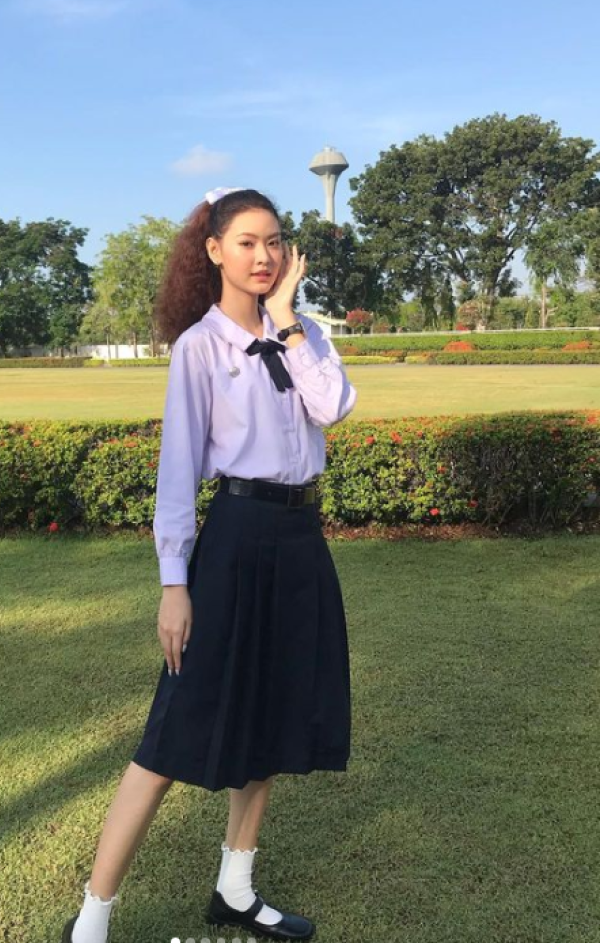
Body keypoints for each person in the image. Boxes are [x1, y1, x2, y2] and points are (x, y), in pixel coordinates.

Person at [60, 186, 358, 943]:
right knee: (173, 728)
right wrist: (174, 584)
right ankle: (92, 919)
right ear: (215, 250)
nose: (264, 256)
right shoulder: (199, 347)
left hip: (301, 540)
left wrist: (289, 324)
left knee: (274, 715)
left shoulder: (305, 334)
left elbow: (333, 407)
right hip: (234, 539)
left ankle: (236, 888)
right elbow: (177, 474)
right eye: (248, 242)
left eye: (275, 241)